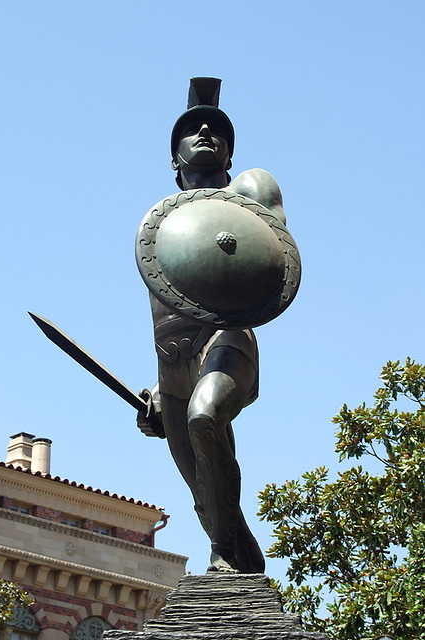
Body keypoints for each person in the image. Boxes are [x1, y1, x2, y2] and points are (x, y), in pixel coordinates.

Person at [137, 78, 288, 574]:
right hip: (171, 365)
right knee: (205, 494)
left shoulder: (243, 194)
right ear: (174, 159)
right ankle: (239, 553)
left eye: (217, 129)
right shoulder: (164, 229)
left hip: (226, 341)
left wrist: (251, 195)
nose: (205, 130)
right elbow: (163, 311)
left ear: (227, 156)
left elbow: (273, 255)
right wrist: (159, 389)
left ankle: (226, 555)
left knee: (207, 417)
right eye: (192, 129)